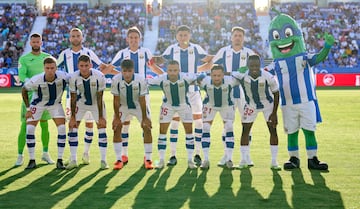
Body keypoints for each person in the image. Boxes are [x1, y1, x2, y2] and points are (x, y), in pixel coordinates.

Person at [266, 10, 332, 170]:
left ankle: (312, 159)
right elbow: (262, 73)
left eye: (287, 34)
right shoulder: (275, 63)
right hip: (287, 103)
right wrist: (245, 71)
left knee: (309, 131)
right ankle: (294, 159)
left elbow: (318, 58)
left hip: (306, 101)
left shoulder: (304, 57)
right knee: (292, 132)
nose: (283, 40)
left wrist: (327, 47)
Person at [156, 25, 213, 166]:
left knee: (198, 122)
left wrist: (199, 69)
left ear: (190, 36)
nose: (183, 38)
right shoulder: (171, 49)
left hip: (193, 91)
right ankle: (173, 155)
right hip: (177, 91)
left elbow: (211, 60)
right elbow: (158, 61)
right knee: (175, 123)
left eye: (185, 35)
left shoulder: (196, 49)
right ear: (176, 36)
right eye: (180, 35)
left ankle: (197, 154)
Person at [200, 26, 256, 167]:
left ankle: (246, 157)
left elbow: (256, 71)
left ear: (243, 38)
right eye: (235, 35)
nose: (237, 37)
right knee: (227, 125)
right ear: (231, 37)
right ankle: (227, 156)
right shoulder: (223, 52)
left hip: (245, 95)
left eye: (240, 35)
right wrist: (197, 70)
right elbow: (212, 66)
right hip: (228, 95)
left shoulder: (249, 53)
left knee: (246, 126)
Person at [109, 26, 163, 165]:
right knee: (123, 124)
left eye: (136, 38)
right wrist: (121, 77)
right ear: (127, 39)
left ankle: (148, 157)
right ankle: (123, 155)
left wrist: (164, 76)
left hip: (142, 93)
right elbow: (111, 68)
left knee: (145, 124)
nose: (133, 40)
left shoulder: (145, 52)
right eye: (131, 38)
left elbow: (152, 67)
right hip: (124, 94)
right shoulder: (122, 53)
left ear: (140, 39)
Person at [57, 28, 109, 165]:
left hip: (92, 95)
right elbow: (55, 70)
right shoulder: (65, 54)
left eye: (77, 36)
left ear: (82, 37)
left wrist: (119, 72)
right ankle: (73, 157)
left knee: (89, 125)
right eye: (73, 36)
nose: (75, 38)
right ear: (69, 38)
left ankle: (86, 152)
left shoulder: (89, 53)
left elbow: (102, 66)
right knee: (73, 125)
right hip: (72, 96)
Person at [232, 54, 281, 169]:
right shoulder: (242, 75)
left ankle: (274, 161)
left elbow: (276, 94)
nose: (254, 68)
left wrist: (274, 113)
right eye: (252, 66)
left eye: (257, 66)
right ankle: (244, 160)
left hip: (267, 105)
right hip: (250, 106)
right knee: (245, 131)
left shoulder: (268, 76)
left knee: (273, 131)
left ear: (260, 65)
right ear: (248, 65)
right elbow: (230, 76)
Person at [147, 60, 197, 169]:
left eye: (175, 70)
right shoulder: (162, 78)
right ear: (166, 70)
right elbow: (146, 82)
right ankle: (161, 160)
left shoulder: (186, 77)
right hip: (167, 106)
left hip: (184, 106)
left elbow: (201, 78)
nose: (173, 73)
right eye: (170, 70)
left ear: (179, 70)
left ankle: (190, 160)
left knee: (189, 132)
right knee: (162, 133)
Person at [21, 56, 68, 169]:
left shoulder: (63, 76)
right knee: (30, 129)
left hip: (55, 104)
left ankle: (60, 160)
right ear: (44, 68)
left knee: (62, 128)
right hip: (38, 104)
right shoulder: (37, 79)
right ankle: (32, 160)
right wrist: (28, 109)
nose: (50, 71)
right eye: (47, 68)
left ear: (56, 68)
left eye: (52, 68)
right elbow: (24, 89)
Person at [16, 33, 54, 166]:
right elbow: (22, 75)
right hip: (30, 96)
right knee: (25, 126)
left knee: (45, 125)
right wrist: (31, 83)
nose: (36, 44)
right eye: (34, 42)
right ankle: (20, 155)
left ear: (41, 43)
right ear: (30, 43)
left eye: (38, 42)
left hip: (46, 97)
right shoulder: (24, 59)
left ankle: (45, 153)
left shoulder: (47, 58)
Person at [66, 54, 108, 170]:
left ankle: (103, 160)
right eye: (81, 66)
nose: (84, 68)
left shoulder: (99, 76)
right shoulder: (73, 77)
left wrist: (101, 116)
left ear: (91, 65)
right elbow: (73, 98)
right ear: (78, 66)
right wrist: (73, 117)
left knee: (102, 128)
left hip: (96, 104)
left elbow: (100, 97)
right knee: (73, 127)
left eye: (86, 65)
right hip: (81, 103)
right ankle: (73, 159)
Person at [111, 59, 154, 170]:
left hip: (138, 105)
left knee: (147, 127)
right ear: (121, 71)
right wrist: (116, 117)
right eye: (124, 71)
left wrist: (145, 118)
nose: (127, 74)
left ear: (133, 71)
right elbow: (115, 100)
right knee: (117, 127)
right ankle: (119, 159)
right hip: (123, 106)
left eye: (129, 71)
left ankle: (148, 158)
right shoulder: (116, 79)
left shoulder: (141, 80)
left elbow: (142, 100)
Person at [197, 65, 238, 170]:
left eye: (219, 75)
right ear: (210, 75)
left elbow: (244, 78)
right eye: (214, 75)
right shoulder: (204, 81)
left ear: (223, 75)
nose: (216, 78)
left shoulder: (231, 81)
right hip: (210, 105)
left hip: (227, 106)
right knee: (205, 128)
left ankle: (229, 159)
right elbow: (192, 79)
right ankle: (205, 160)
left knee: (229, 127)